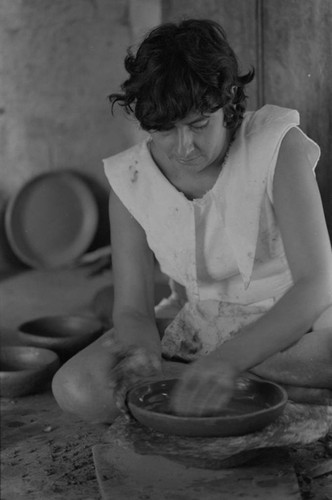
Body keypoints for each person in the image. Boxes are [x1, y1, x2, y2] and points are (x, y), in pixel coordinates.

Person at [52, 19, 332, 424]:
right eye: (166, 131)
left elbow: (316, 284)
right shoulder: (130, 178)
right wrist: (142, 360)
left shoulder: (275, 144)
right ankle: (254, 391)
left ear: (229, 100)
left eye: (199, 125)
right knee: (76, 386)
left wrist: (228, 360)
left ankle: (215, 380)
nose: (185, 148)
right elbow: (132, 310)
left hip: (294, 322)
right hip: (197, 325)